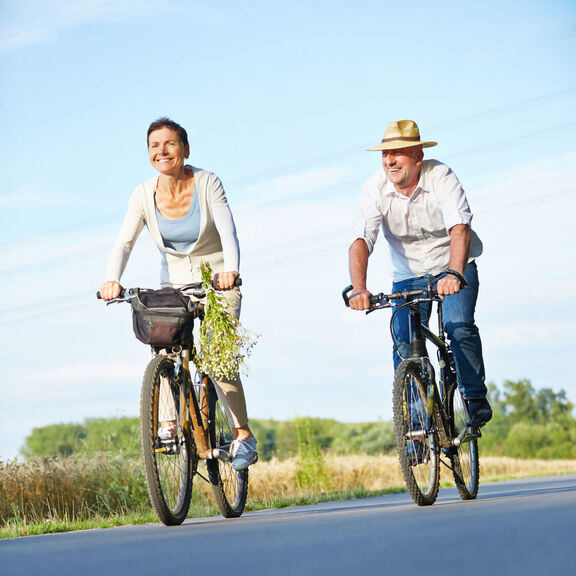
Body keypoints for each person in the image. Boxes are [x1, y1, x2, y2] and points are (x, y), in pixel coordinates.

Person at [99, 117, 258, 469]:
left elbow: (228, 230)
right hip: (175, 286)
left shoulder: (207, 182)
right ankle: (169, 425)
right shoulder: (142, 195)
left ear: (185, 149)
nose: (162, 151)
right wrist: (111, 278)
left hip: (218, 281)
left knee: (218, 357)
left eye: (169, 144)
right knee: (164, 351)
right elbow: (124, 242)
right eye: (154, 146)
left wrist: (230, 270)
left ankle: (243, 434)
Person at [347, 119, 492, 427]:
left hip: (453, 265)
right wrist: (359, 288)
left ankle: (474, 396)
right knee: (403, 341)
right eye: (385, 154)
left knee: (458, 326)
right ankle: (416, 428)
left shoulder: (441, 176)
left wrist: (453, 272)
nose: (389, 160)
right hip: (407, 274)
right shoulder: (374, 188)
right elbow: (361, 240)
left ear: (418, 156)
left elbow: (459, 228)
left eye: (398, 153)